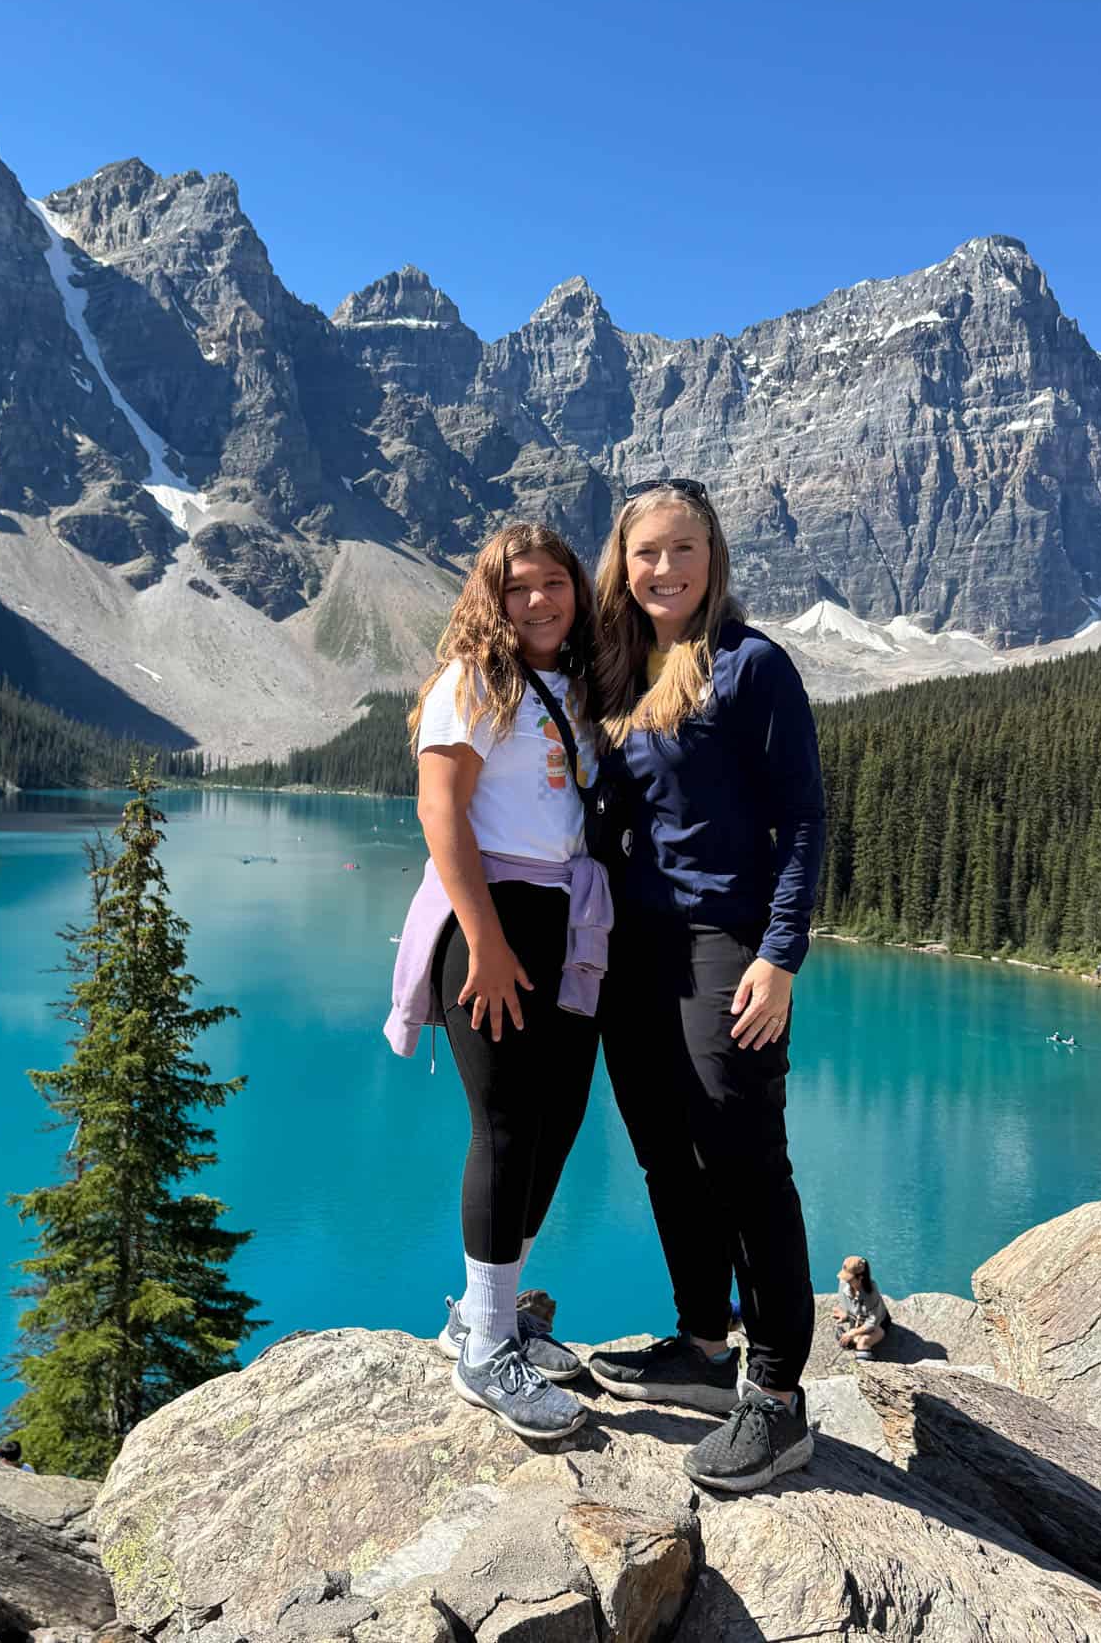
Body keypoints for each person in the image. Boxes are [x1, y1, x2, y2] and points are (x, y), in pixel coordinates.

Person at [585, 478, 826, 1494]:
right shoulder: (618, 668)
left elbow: (804, 819)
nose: (666, 569)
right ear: (622, 562)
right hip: (632, 954)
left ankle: (776, 1398)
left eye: (684, 550)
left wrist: (779, 955)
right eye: (647, 552)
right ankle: (701, 1345)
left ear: (712, 556)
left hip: (725, 941)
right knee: (664, 1160)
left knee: (742, 1160)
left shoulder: (752, 666)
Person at [385, 523, 611, 1442]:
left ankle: (488, 1313)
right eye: (518, 587)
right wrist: (483, 941)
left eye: (555, 583)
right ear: (493, 597)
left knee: (556, 1126)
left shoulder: (584, 683)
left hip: (566, 920)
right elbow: (440, 808)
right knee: (508, 1124)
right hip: (490, 914)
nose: (539, 601)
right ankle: (484, 1350)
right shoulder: (473, 681)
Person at [833, 1255, 891, 1360]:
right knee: (852, 1339)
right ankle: (855, 1340)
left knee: (862, 1342)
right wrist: (847, 1315)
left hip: (878, 1323)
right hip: (857, 1320)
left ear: (860, 1277)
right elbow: (846, 1304)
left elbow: (872, 1322)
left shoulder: (871, 1292)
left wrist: (852, 1332)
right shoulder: (843, 1283)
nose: (845, 1282)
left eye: (849, 1279)